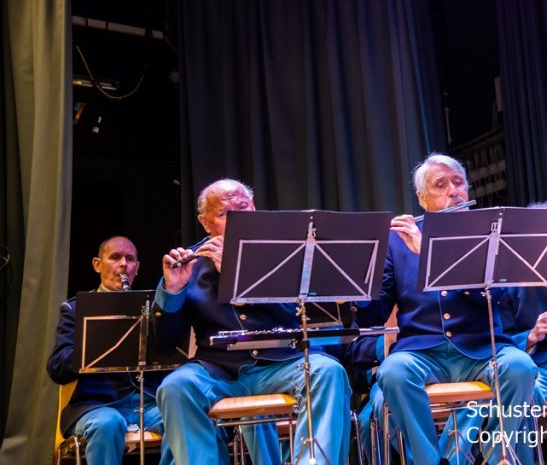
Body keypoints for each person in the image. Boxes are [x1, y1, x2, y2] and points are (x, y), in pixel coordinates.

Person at [152, 178, 351, 465]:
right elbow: (164, 345)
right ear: (205, 223)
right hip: (219, 370)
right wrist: (172, 292)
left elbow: (300, 315)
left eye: (243, 208)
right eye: (224, 213)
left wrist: (240, 276)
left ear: (254, 208)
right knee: (175, 387)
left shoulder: (285, 252)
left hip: (280, 362)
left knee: (328, 371)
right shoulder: (190, 265)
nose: (237, 219)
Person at [357, 153, 538, 465]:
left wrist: (430, 253)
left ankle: (498, 456)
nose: (453, 191)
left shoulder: (488, 233)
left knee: (521, 367)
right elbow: (373, 313)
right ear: (422, 198)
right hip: (422, 352)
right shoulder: (398, 240)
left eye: (458, 183)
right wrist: (358, 284)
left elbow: (497, 296)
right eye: (441, 185)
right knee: (393, 372)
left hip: (482, 349)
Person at [47, 236, 168, 465]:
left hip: (148, 403)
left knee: (182, 418)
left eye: (130, 259)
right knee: (107, 424)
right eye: (115, 257)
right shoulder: (75, 309)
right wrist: (97, 339)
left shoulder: (153, 308)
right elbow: (57, 368)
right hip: (97, 406)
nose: (123, 264)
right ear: (97, 264)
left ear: (137, 267)